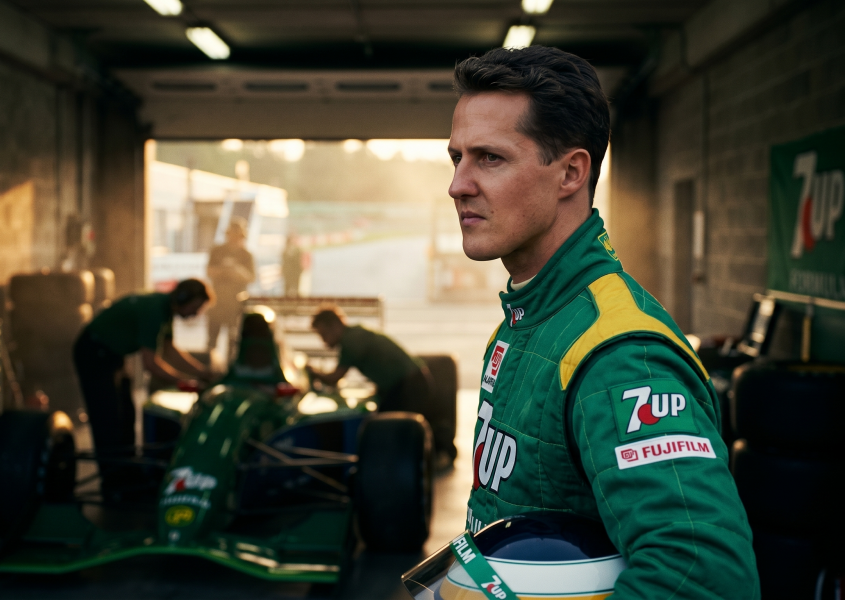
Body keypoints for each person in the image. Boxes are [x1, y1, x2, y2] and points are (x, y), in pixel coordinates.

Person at [448, 46, 758, 597]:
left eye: (489, 158)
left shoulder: (619, 353)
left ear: (571, 172)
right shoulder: (530, 316)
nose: (459, 185)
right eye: (458, 158)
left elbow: (704, 578)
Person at [73, 278, 213, 499]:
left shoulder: (165, 309)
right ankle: (112, 486)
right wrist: (184, 383)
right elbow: (151, 364)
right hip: (94, 353)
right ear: (183, 299)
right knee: (108, 419)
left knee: (127, 416)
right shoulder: (155, 312)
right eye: (195, 307)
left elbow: (170, 350)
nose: (195, 314)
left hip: (112, 355)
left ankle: (128, 475)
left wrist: (202, 372)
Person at [307, 306, 456, 462]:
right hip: (411, 380)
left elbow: (334, 378)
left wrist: (312, 372)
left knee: (391, 425)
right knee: (404, 422)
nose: (323, 341)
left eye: (324, 335)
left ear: (335, 326)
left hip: (409, 385)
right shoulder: (357, 333)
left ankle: (439, 453)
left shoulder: (351, 342)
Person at [206, 217, 255, 356]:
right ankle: (210, 368)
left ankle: (230, 366)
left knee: (234, 340)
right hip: (217, 300)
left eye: (238, 236)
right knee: (212, 339)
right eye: (232, 235)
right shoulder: (217, 251)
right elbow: (209, 271)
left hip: (236, 302)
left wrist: (238, 271)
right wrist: (224, 270)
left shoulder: (246, 255)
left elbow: (251, 277)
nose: (234, 239)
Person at [282, 233, 303, 297]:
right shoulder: (285, 250)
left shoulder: (298, 250)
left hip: (296, 272)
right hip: (287, 272)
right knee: (287, 286)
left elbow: (299, 261)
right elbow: (284, 261)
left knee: (296, 285)